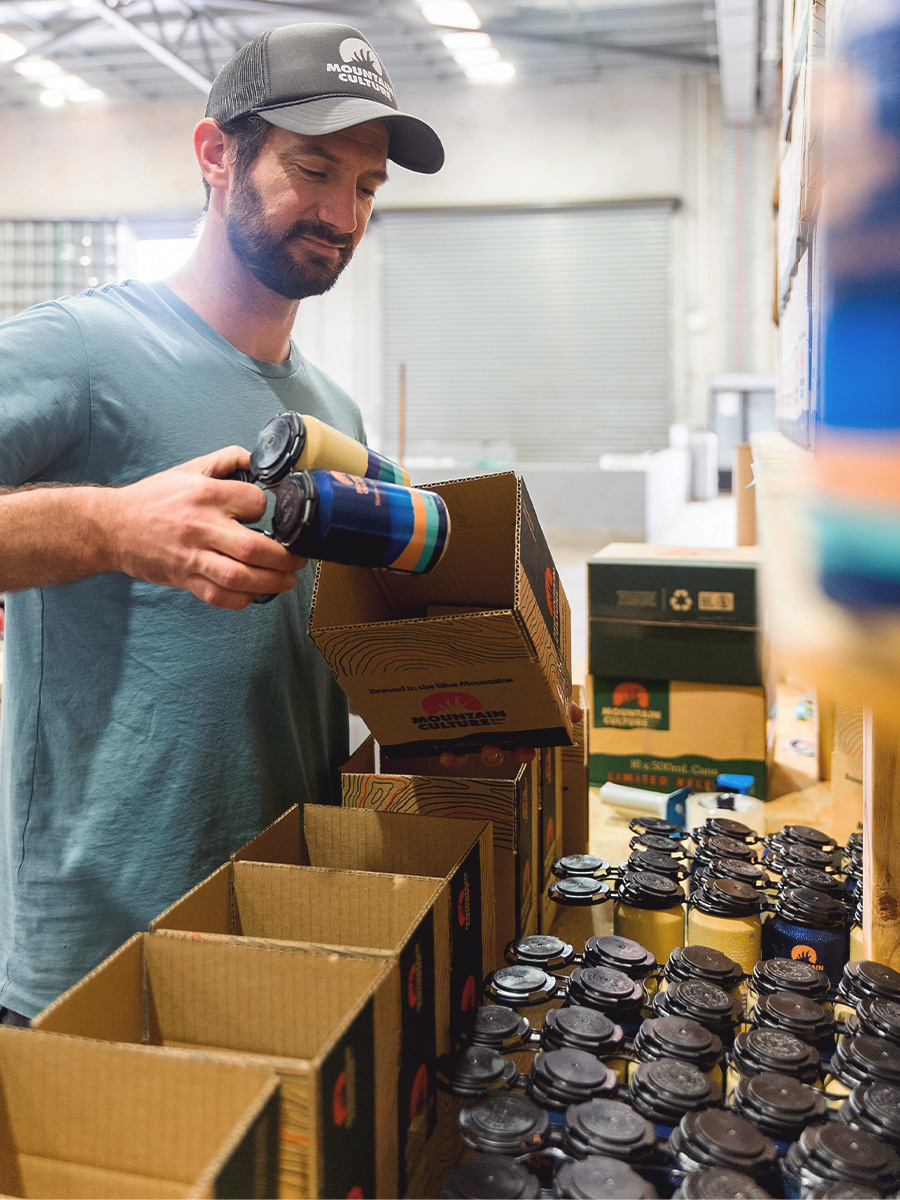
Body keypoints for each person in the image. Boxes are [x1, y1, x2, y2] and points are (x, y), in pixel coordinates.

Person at [0, 22, 448, 1022]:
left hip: (279, 918)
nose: (342, 214)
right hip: (100, 947)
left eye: (368, 187)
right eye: (313, 168)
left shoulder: (336, 418)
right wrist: (108, 526)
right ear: (216, 155)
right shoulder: (80, 350)